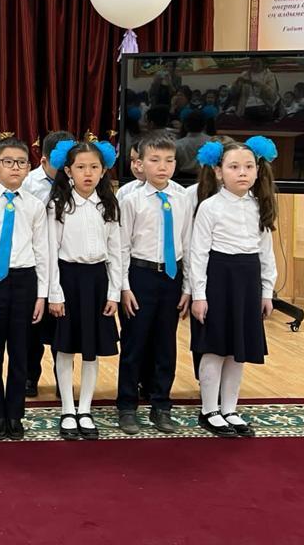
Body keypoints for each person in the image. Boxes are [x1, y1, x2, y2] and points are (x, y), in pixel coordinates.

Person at [189, 139, 278, 438]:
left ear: (258, 170)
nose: (242, 172)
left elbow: (266, 253)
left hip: (248, 282)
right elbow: (198, 253)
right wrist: (199, 295)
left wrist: (266, 291)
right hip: (218, 280)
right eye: (234, 167)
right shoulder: (209, 207)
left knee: (237, 350)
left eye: (249, 166)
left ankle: (229, 408)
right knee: (214, 348)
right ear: (218, 171)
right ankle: (209, 410)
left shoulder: (260, 205)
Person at [0, 137, 48, 440]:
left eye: (21, 162)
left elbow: (42, 252)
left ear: (28, 168)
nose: (15, 167)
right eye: (8, 162)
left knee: (20, 350)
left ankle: (15, 413)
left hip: (25, 281)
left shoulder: (36, 206)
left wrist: (42, 294)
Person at [46, 140, 122, 440]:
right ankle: (68, 408)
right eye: (81, 167)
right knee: (65, 348)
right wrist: (54, 293)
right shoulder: (59, 205)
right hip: (68, 280)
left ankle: (86, 409)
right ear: (68, 171)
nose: (87, 173)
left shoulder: (108, 205)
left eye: (94, 167)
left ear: (103, 171)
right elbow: (50, 252)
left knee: (92, 350)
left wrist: (114, 292)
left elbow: (116, 252)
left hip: (97, 282)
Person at [116, 134, 192, 436]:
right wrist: (124, 287)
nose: (162, 167)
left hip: (171, 277)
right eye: (155, 160)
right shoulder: (131, 199)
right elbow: (122, 246)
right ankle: (127, 406)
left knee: (165, 344)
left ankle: (161, 404)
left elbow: (188, 243)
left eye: (169, 160)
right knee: (134, 343)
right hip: (140, 275)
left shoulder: (182, 198)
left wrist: (188, 287)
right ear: (140, 164)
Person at [23, 129, 75, 397]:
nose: (66, 169)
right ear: (43, 160)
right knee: (33, 324)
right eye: (60, 164)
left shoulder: (77, 182)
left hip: (65, 261)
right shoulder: (29, 183)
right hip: (35, 261)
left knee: (63, 325)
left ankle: (63, 380)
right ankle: (29, 377)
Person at [117, 138, 147, 203]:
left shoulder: (171, 190)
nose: (135, 166)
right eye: (133, 160)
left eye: (140, 161)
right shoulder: (124, 192)